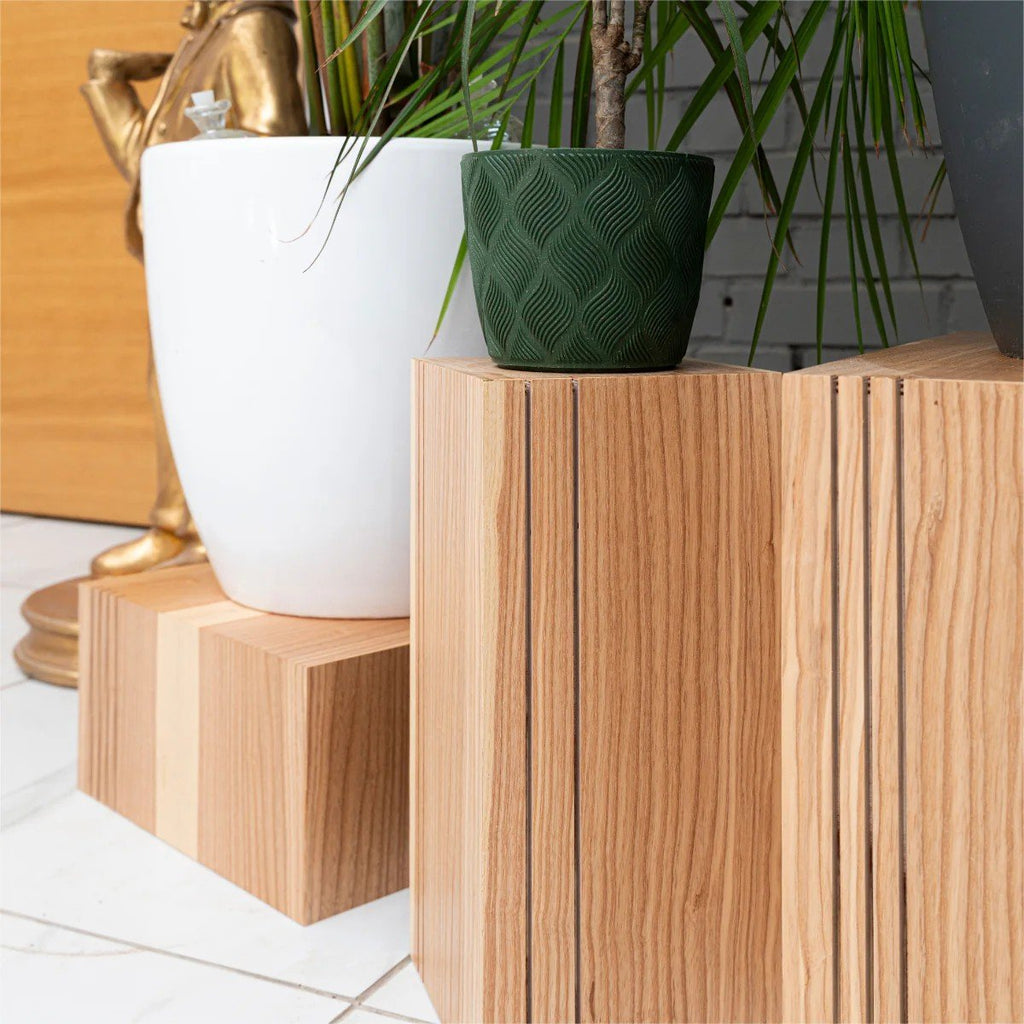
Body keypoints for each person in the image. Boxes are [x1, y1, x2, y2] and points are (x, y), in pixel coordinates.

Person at [80, 0, 306, 575]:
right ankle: (177, 527)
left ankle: (211, 537)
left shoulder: (255, 25)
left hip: (225, 253)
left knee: (213, 388)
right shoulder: (208, 36)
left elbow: (274, 140)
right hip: (189, 253)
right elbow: (149, 162)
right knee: (173, 385)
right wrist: (110, 86)